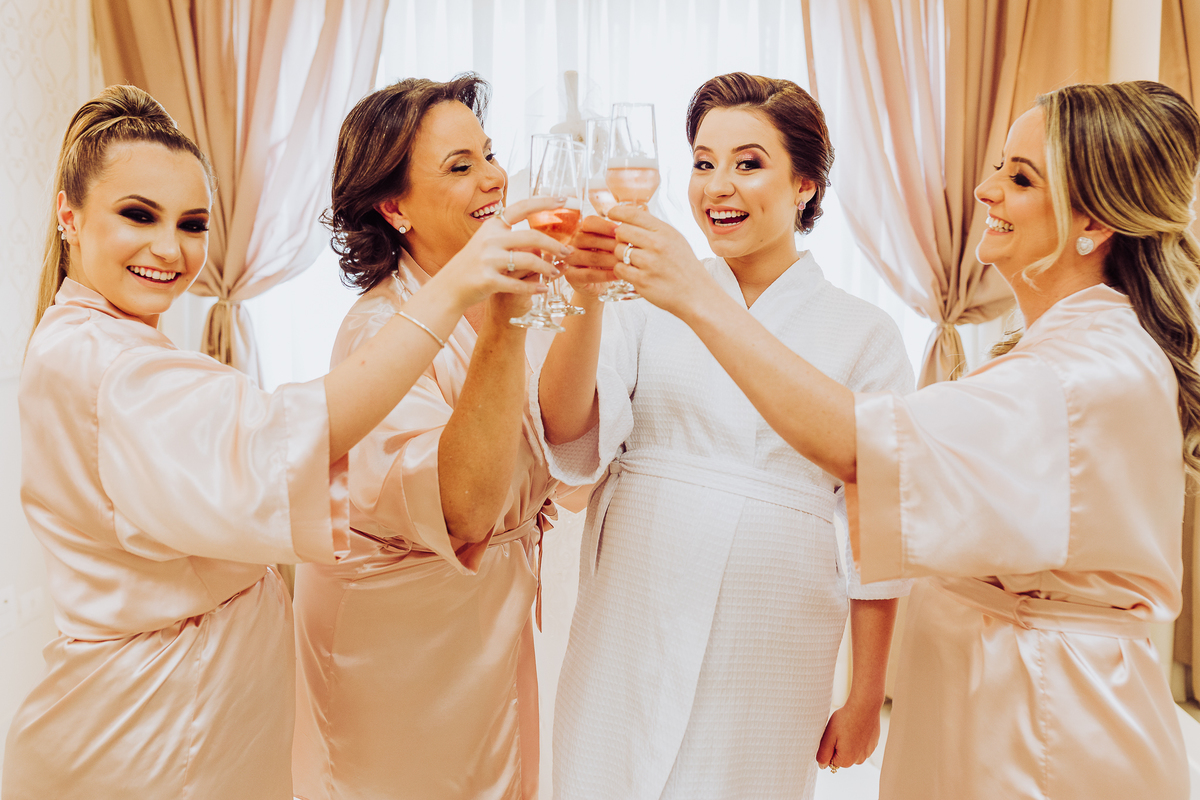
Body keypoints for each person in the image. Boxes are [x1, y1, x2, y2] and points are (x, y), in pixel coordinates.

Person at [602, 80, 1198, 799]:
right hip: (1004, 700)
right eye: (998, 167)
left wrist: (696, 299)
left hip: (1045, 724)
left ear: (1093, 222)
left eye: (1020, 177)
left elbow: (865, 451)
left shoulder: (1079, 372)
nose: (984, 190)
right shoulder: (1074, 346)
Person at [3, 84, 563, 800]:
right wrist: (457, 288)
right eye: (138, 214)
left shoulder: (108, 345)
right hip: (153, 740)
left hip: (187, 723)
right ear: (69, 217)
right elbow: (281, 439)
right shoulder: (108, 366)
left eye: (193, 223)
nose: (169, 248)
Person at [536, 73, 912, 800]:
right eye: (703, 163)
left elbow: (881, 526)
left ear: (804, 184)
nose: (717, 187)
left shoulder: (866, 335)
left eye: (748, 163)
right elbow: (570, 435)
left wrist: (868, 693)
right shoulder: (642, 299)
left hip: (771, 632)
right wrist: (586, 295)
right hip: (632, 607)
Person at [291, 75, 568, 800]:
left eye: (489, 155)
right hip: (400, 650)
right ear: (395, 207)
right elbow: (466, 510)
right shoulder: (378, 333)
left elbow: (566, 449)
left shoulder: (506, 298)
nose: (495, 178)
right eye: (459, 166)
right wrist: (509, 316)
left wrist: (590, 295)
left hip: (486, 624)